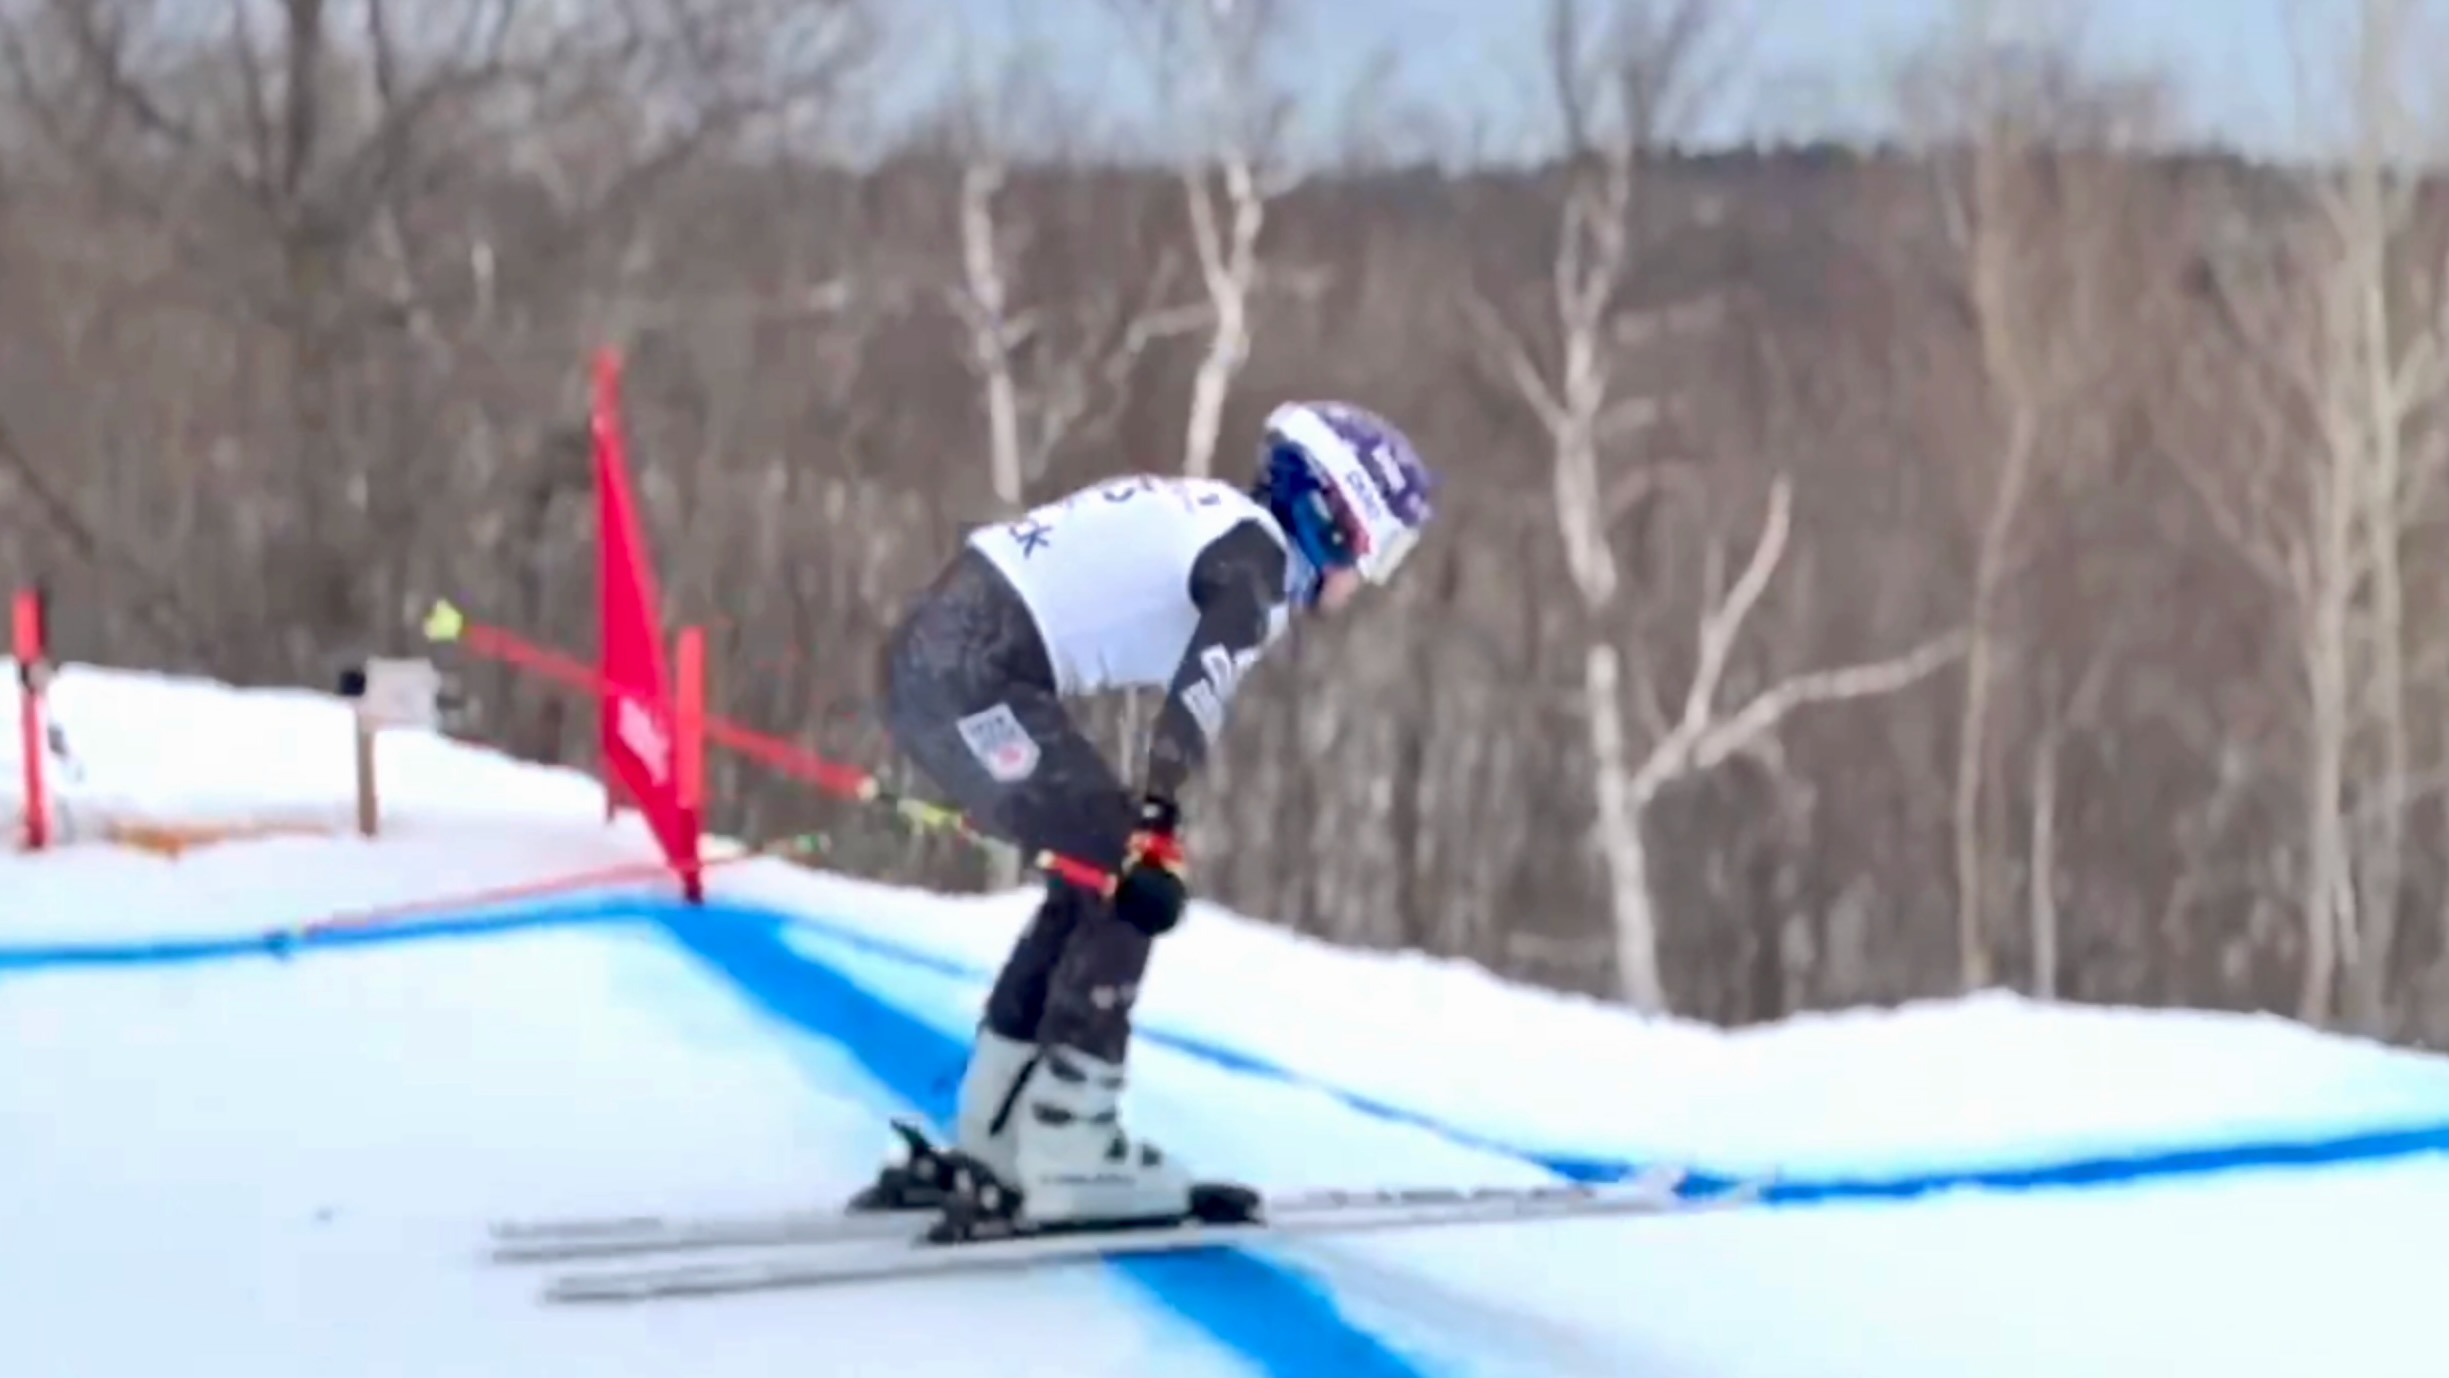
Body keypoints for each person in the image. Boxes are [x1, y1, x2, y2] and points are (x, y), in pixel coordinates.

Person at [851, 399, 1437, 1234]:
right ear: (1332, 516)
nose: (1371, 575)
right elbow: (1196, 692)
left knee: (1095, 875)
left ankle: (999, 1133)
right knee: (1129, 876)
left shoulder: (1222, 525)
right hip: (968, 671)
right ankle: (1068, 1141)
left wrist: (1139, 829)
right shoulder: (1257, 559)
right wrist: (1157, 823)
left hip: (947, 654)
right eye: (1381, 547)